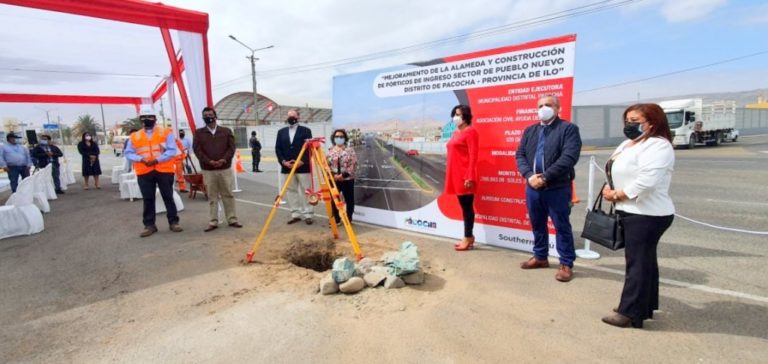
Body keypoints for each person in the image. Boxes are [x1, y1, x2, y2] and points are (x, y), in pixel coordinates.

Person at [600, 103, 675, 329]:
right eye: (627, 120)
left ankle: (629, 312)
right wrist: (608, 188)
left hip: (647, 214)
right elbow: (615, 168)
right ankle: (644, 306)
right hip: (630, 210)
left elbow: (647, 181)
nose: (629, 125)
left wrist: (618, 194)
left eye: (635, 121)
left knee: (637, 263)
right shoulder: (628, 144)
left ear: (652, 123)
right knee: (645, 262)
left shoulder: (658, 146)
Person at [515, 94, 582, 282]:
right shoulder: (530, 131)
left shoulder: (568, 129)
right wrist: (529, 176)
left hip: (557, 188)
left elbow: (569, 158)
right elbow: (520, 155)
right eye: (540, 105)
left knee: (561, 226)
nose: (543, 108)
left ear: (558, 108)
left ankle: (566, 263)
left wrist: (544, 177)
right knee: (537, 224)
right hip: (532, 188)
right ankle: (540, 256)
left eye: (548, 105)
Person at [124, 107, 183, 237]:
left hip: (164, 169)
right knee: (148, 199)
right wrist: (141, 159)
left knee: (168, 196)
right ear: (140, 120)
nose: (147, 119)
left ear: (155, 118)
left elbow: (172, 150)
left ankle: (173, 222)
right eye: (144, 117)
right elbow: (128, 153)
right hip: (144, 170)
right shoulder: (135, 136)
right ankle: (149, 225)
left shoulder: (166, 132)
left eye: (150, 117)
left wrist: (157, 160)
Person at [193, 106, 243, 232]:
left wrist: (223, 160)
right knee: (212, 196)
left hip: (224, 169)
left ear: (215, 116)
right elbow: (197, 151)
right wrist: (209, 161)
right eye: (205, 115)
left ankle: (232, 219)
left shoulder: (226, 131)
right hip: (208, 170)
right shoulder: (199, 133)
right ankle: (213, 221)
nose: (208, 117)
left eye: (210, 114)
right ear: (203, 118)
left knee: (228, 194)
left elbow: (231, 148)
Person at [445, 105, 480, 251]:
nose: (455, 117)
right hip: (455, 174)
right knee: (463, 207)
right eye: (454, 114)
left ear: (465, 116)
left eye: (458, 114)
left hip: (465, 176)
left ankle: (467, 237)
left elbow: (473, 156)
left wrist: (469, 176)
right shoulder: (456, 133)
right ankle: (468, 236)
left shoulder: (471, 132)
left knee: (467, 208)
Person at [275, 109, 314, 225]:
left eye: (293, 116)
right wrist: (283, 162)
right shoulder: (281, 132)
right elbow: (278, 148)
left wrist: (302, 161)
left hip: (302, 167)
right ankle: (295, 214)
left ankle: (308, 214)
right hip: (287, 167)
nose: (291, 118)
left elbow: (310, 149)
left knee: (306, 190)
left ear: (298, 117)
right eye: (289, 116)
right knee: (291, 190)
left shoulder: (306, 131)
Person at [326, 129, 358, 225]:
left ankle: (348, 219)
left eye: (341, 136)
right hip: (333, 179)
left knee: (349, 200)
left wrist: (343, 175)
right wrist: (333, 175)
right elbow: (326, 165)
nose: (339, 138)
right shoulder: (330, 151)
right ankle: (336, 219)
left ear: (344, 138)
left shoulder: (350, 150)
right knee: (334, 200)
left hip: (347, 179)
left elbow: (353, 164)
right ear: (333, 138)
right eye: (336, 136)